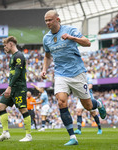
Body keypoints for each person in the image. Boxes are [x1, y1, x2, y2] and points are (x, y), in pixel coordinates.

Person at [41, 10, 106, 146]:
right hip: (60, 74)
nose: (47, 23)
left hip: (77, 73)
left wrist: (71, 38)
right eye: (46, 20)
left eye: (50, 20)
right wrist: (44, 69)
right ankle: (72, 137)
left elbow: (87, 43)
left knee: (88, 106)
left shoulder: (70, 30)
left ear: (57, 19)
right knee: (61, 102)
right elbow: (47, 55)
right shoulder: (46, 38)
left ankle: (98, 104)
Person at [0, 36, 32, 142]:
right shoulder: (12, 56)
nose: (4, 48)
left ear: (11, 44)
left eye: (5, 46)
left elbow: (18, 73)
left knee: (23, 109)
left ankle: (28, 135)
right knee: (1, 107)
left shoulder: (19, 55)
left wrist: (9, 87)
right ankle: (5, 132)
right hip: (12, 87)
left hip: (19, 88)